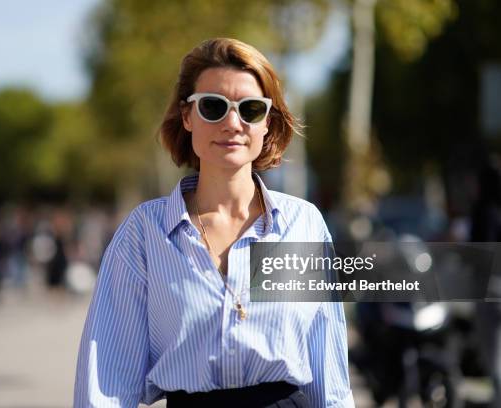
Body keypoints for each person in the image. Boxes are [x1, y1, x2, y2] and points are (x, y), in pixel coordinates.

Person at [74, 38, 354, 408]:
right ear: (187, 115)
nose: (232, 123)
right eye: (213, 106)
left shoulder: (303, 224)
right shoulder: (144, 234)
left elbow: (329, 376)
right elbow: (106, 381)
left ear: (267, 122)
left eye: (251, 108)